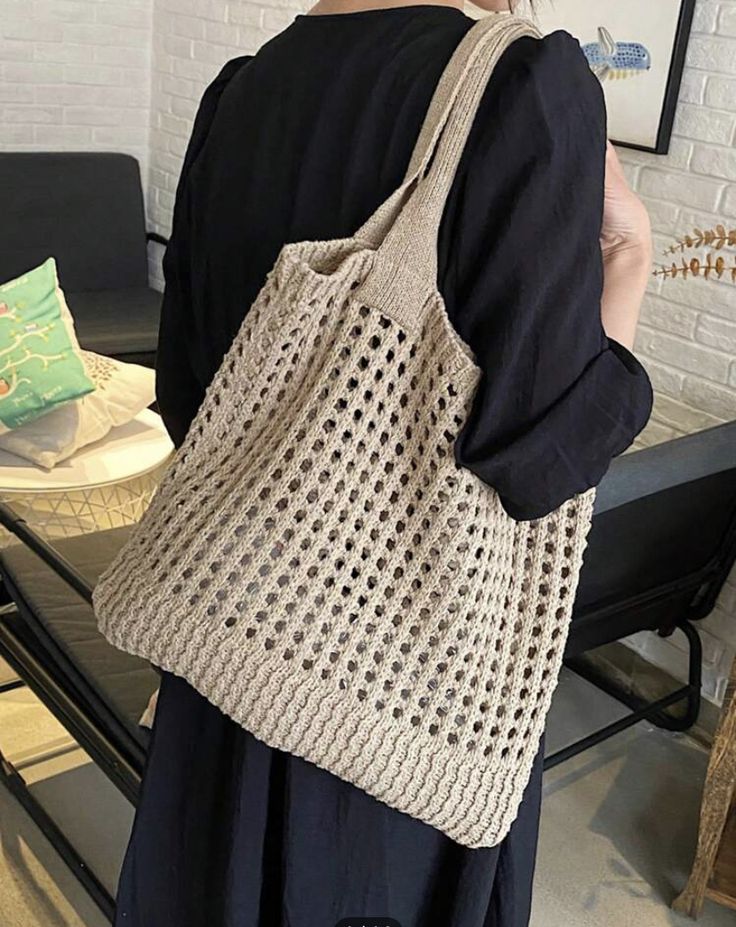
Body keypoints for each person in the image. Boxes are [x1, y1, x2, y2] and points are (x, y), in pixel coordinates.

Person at [114, 2, 654, 925]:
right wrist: (631, 254)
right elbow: (539, 460)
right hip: (395, 698)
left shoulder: (245, 89)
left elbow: (188, 394)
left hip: (220, 646)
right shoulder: (526, 86)